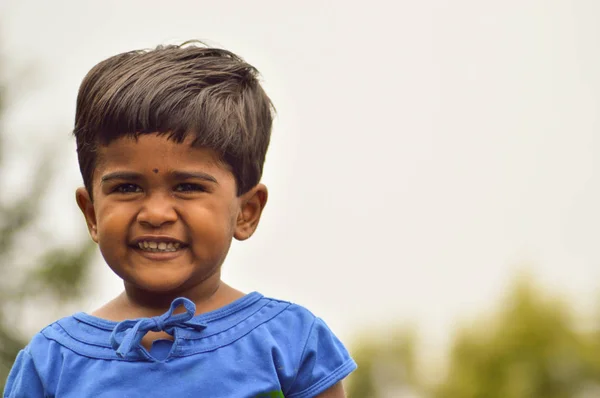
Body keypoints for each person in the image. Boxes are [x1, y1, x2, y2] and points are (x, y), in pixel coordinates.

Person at [3, 42, 356, 398]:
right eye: (127, 187)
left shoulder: (291, 344)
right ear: (92, 214)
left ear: (246, 212)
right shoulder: (52, 362)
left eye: (187, 187)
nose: (156, 214)